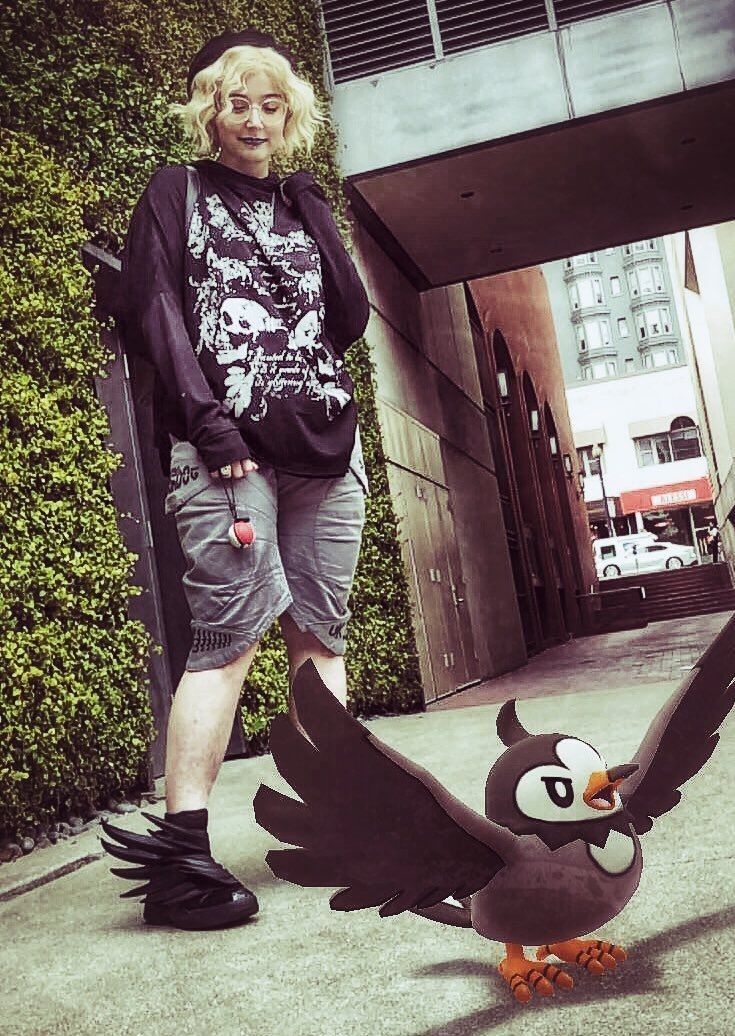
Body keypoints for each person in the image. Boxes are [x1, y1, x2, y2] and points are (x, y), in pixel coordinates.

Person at [102, 29, 370, 931]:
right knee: (230, 637)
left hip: (322, 448)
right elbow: (154, 308)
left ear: (288, 114)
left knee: (320, 638)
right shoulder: (176, 191)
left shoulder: (303, 199)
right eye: (235, 102)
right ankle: (181, 859)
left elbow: (347, 315)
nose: (253, 119)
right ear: (208, 112)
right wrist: (210, 424)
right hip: (227, 451)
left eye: (270, 103)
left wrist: (316, 210)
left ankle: (338, 821)